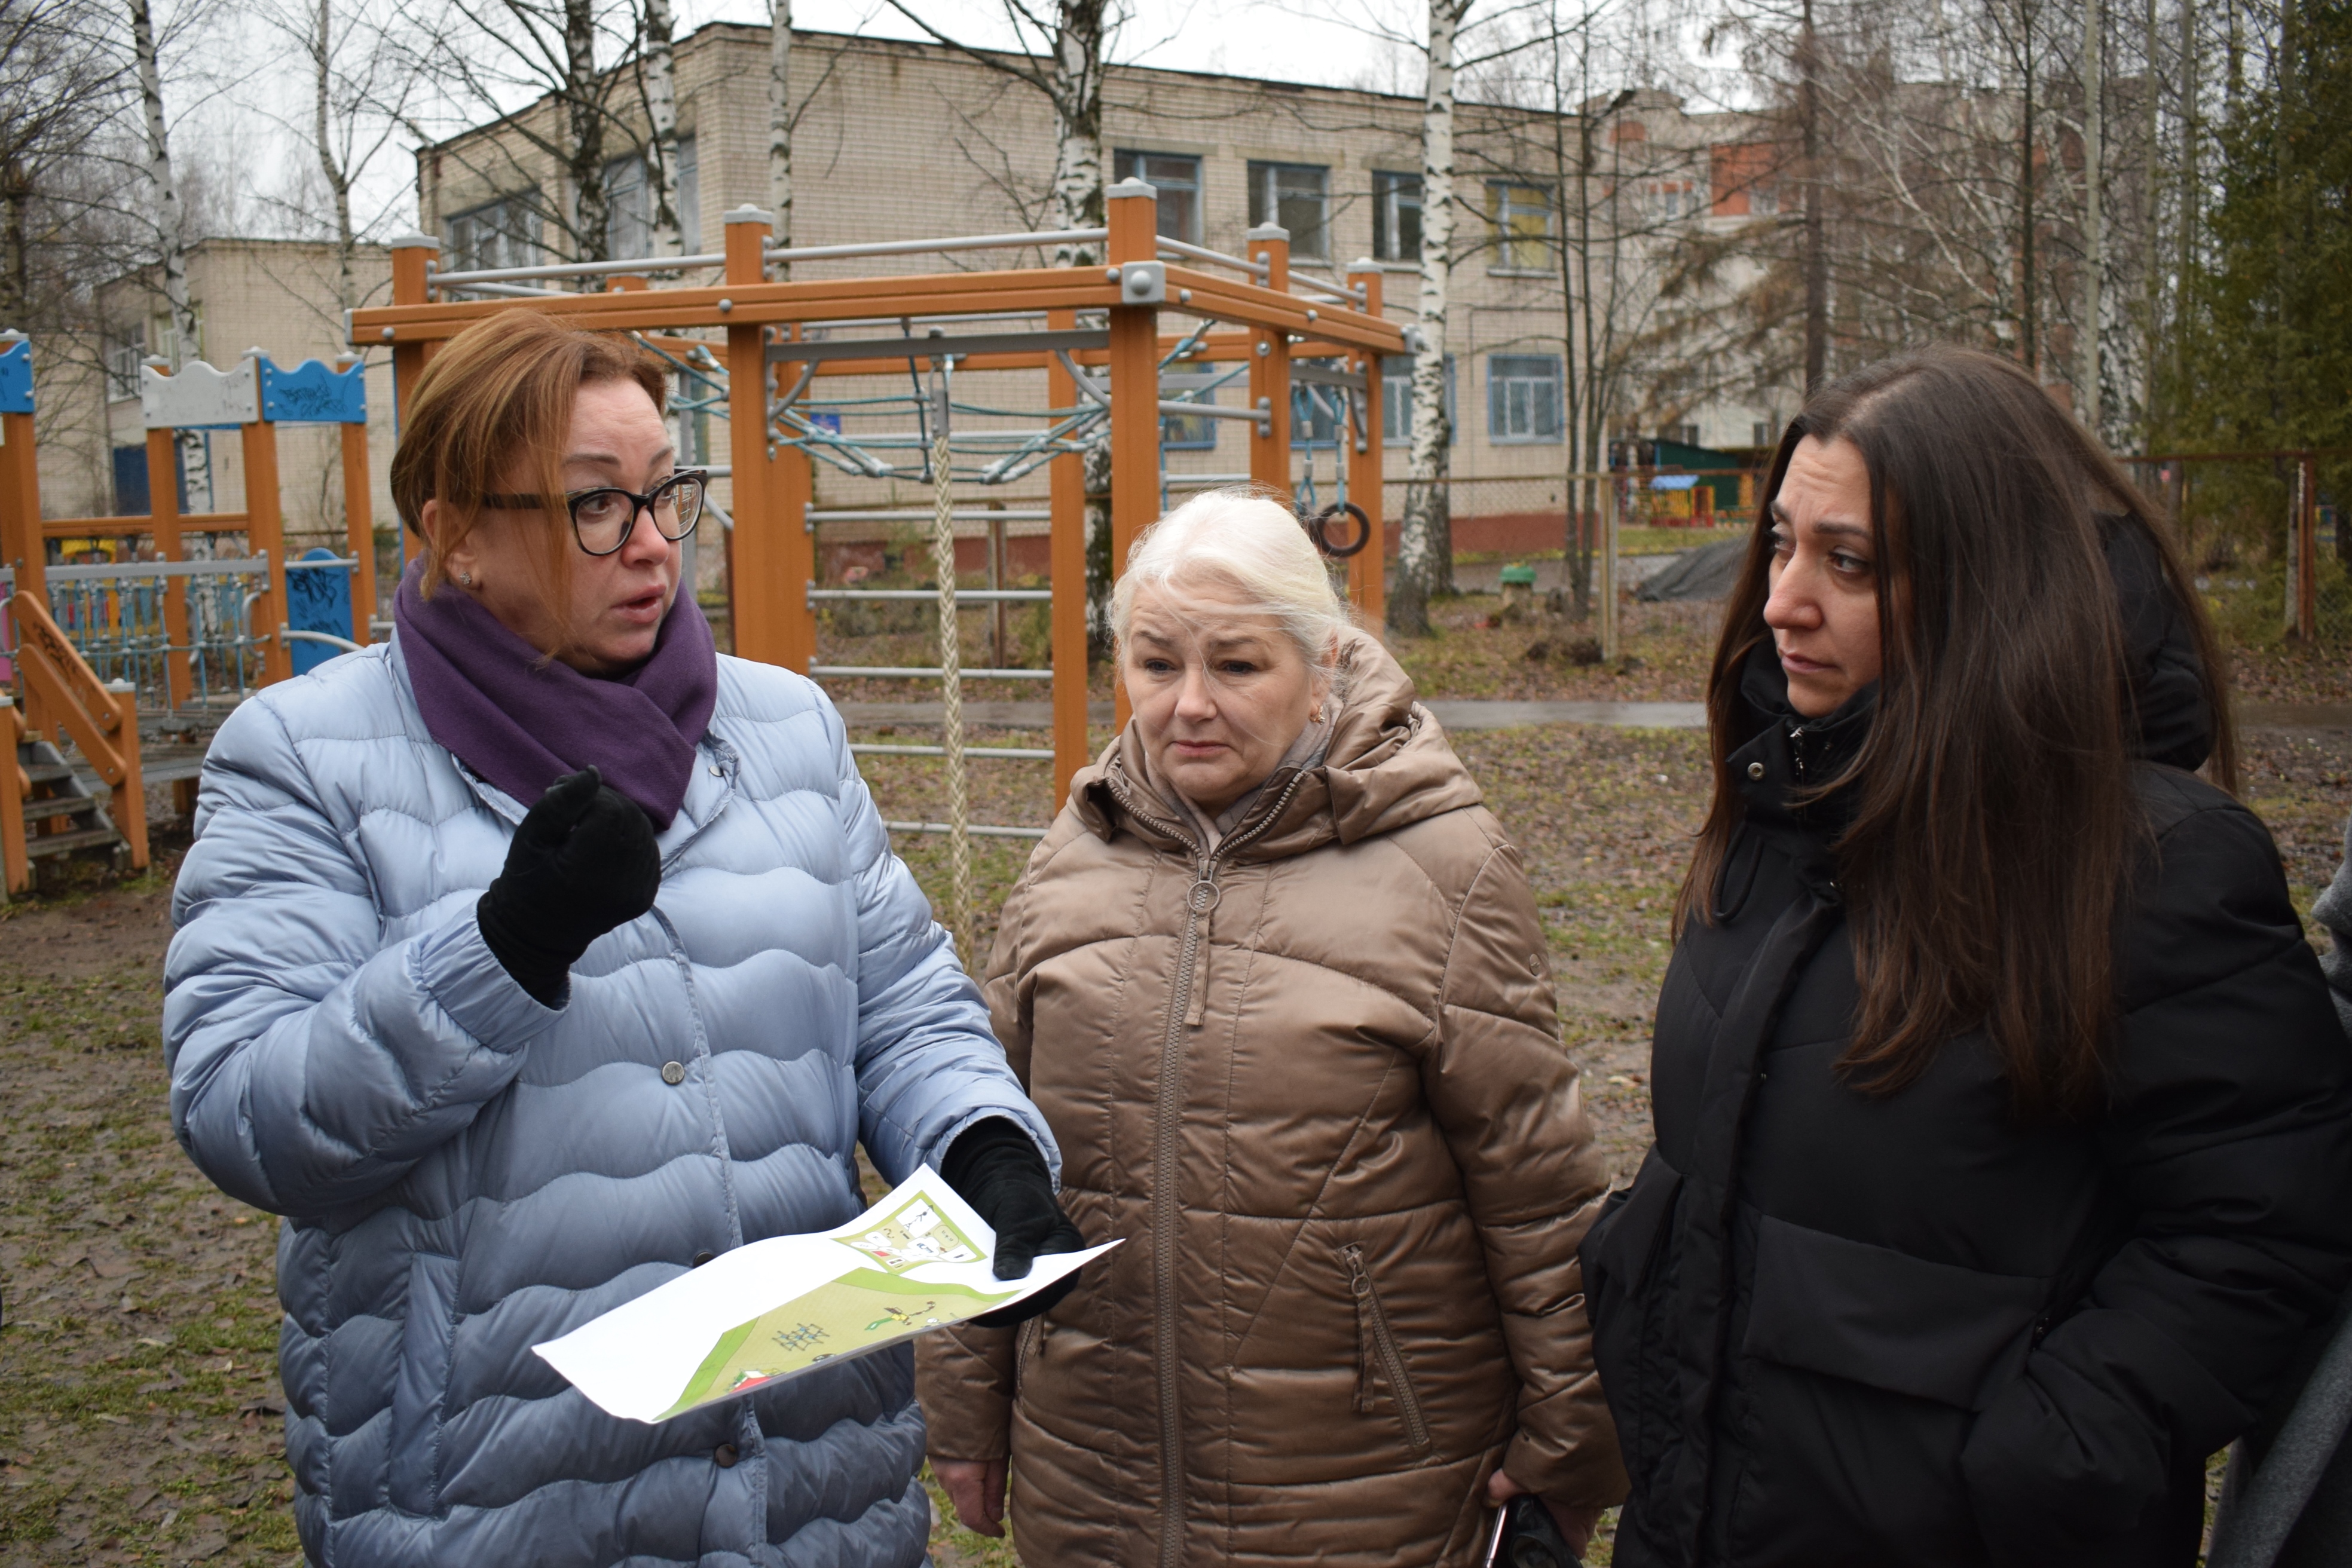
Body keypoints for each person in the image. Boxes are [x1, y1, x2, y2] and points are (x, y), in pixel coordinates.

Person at [163, 311, 1081, 1568]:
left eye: (666, 493)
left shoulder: (785, 731)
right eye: (597, 506)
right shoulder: (304, 758)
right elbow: (245, 1115)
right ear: (459, 535)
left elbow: (904, 1006)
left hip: (813, 1486)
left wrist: (986, 1150)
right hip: (499, 1493)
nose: (652, 544)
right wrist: (504, 947)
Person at [1580, 344, 2352, 1568]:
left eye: (1850, 562)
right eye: (1780, 542)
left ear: (1989, 581)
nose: (1783, 597)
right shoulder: (1786, 801)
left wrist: (2058, 1438)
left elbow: (2269, 1229)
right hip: (1709, 1514)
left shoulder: (2154, 865)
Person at [915, 490, 1626, 1565]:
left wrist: (1572, 1442)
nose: (1189, 704)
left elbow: (1536, 1186)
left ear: (1322, 666)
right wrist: (967, 1408)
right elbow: (988, 1145)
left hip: (1363, 1491)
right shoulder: (1074, 856)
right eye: (1157, 665)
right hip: (1093, 1479)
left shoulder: (1444, 870)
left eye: (1237, 666)